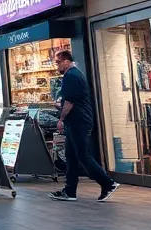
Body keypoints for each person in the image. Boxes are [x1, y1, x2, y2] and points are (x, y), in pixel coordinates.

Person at [50, 50, 119, 203]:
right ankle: (70, 191)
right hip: (75, 122)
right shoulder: (73, 75)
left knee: (82, 155)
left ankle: (108, 183)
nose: (57, 66)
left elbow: (69, 102)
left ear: (66, 61)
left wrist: (61, 118)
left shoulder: (71, 76)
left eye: (58, 62)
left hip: (78, 122)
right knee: (71, 157)